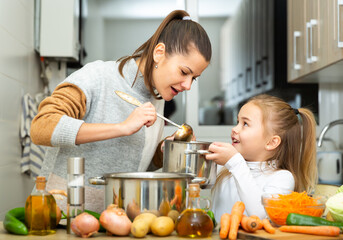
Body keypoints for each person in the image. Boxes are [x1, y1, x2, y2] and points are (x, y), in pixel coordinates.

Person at [30, 10, 212, 213]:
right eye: (184, 72)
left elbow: (133, 164)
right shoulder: (98, 77)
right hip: (60, 217)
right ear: (159, 53)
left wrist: (163, 152)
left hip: (114, 222)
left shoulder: (156, 98)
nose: (188, 85)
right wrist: (121, 127)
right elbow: (41, 127)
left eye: (193, 78)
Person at [206, 94, 317, 223]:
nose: (234, 129)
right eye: (237, 122)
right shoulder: (225, 168)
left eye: (245, 124)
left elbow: (260, 215)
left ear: (271, 142)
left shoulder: (282, 178)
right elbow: (192, 179)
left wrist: (235, 162)